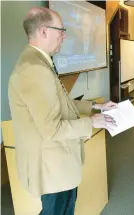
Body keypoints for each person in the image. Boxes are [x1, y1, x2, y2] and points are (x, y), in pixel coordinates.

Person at [8, 7, 117, 215]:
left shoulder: (39, 60)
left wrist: (96, 106)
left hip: (57, 163)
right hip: (51, 166)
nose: (64, 35)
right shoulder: (34, 68)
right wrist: (92, 122)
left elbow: (61, 102)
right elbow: (52, 129)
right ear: (43, 31)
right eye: (61, 30)